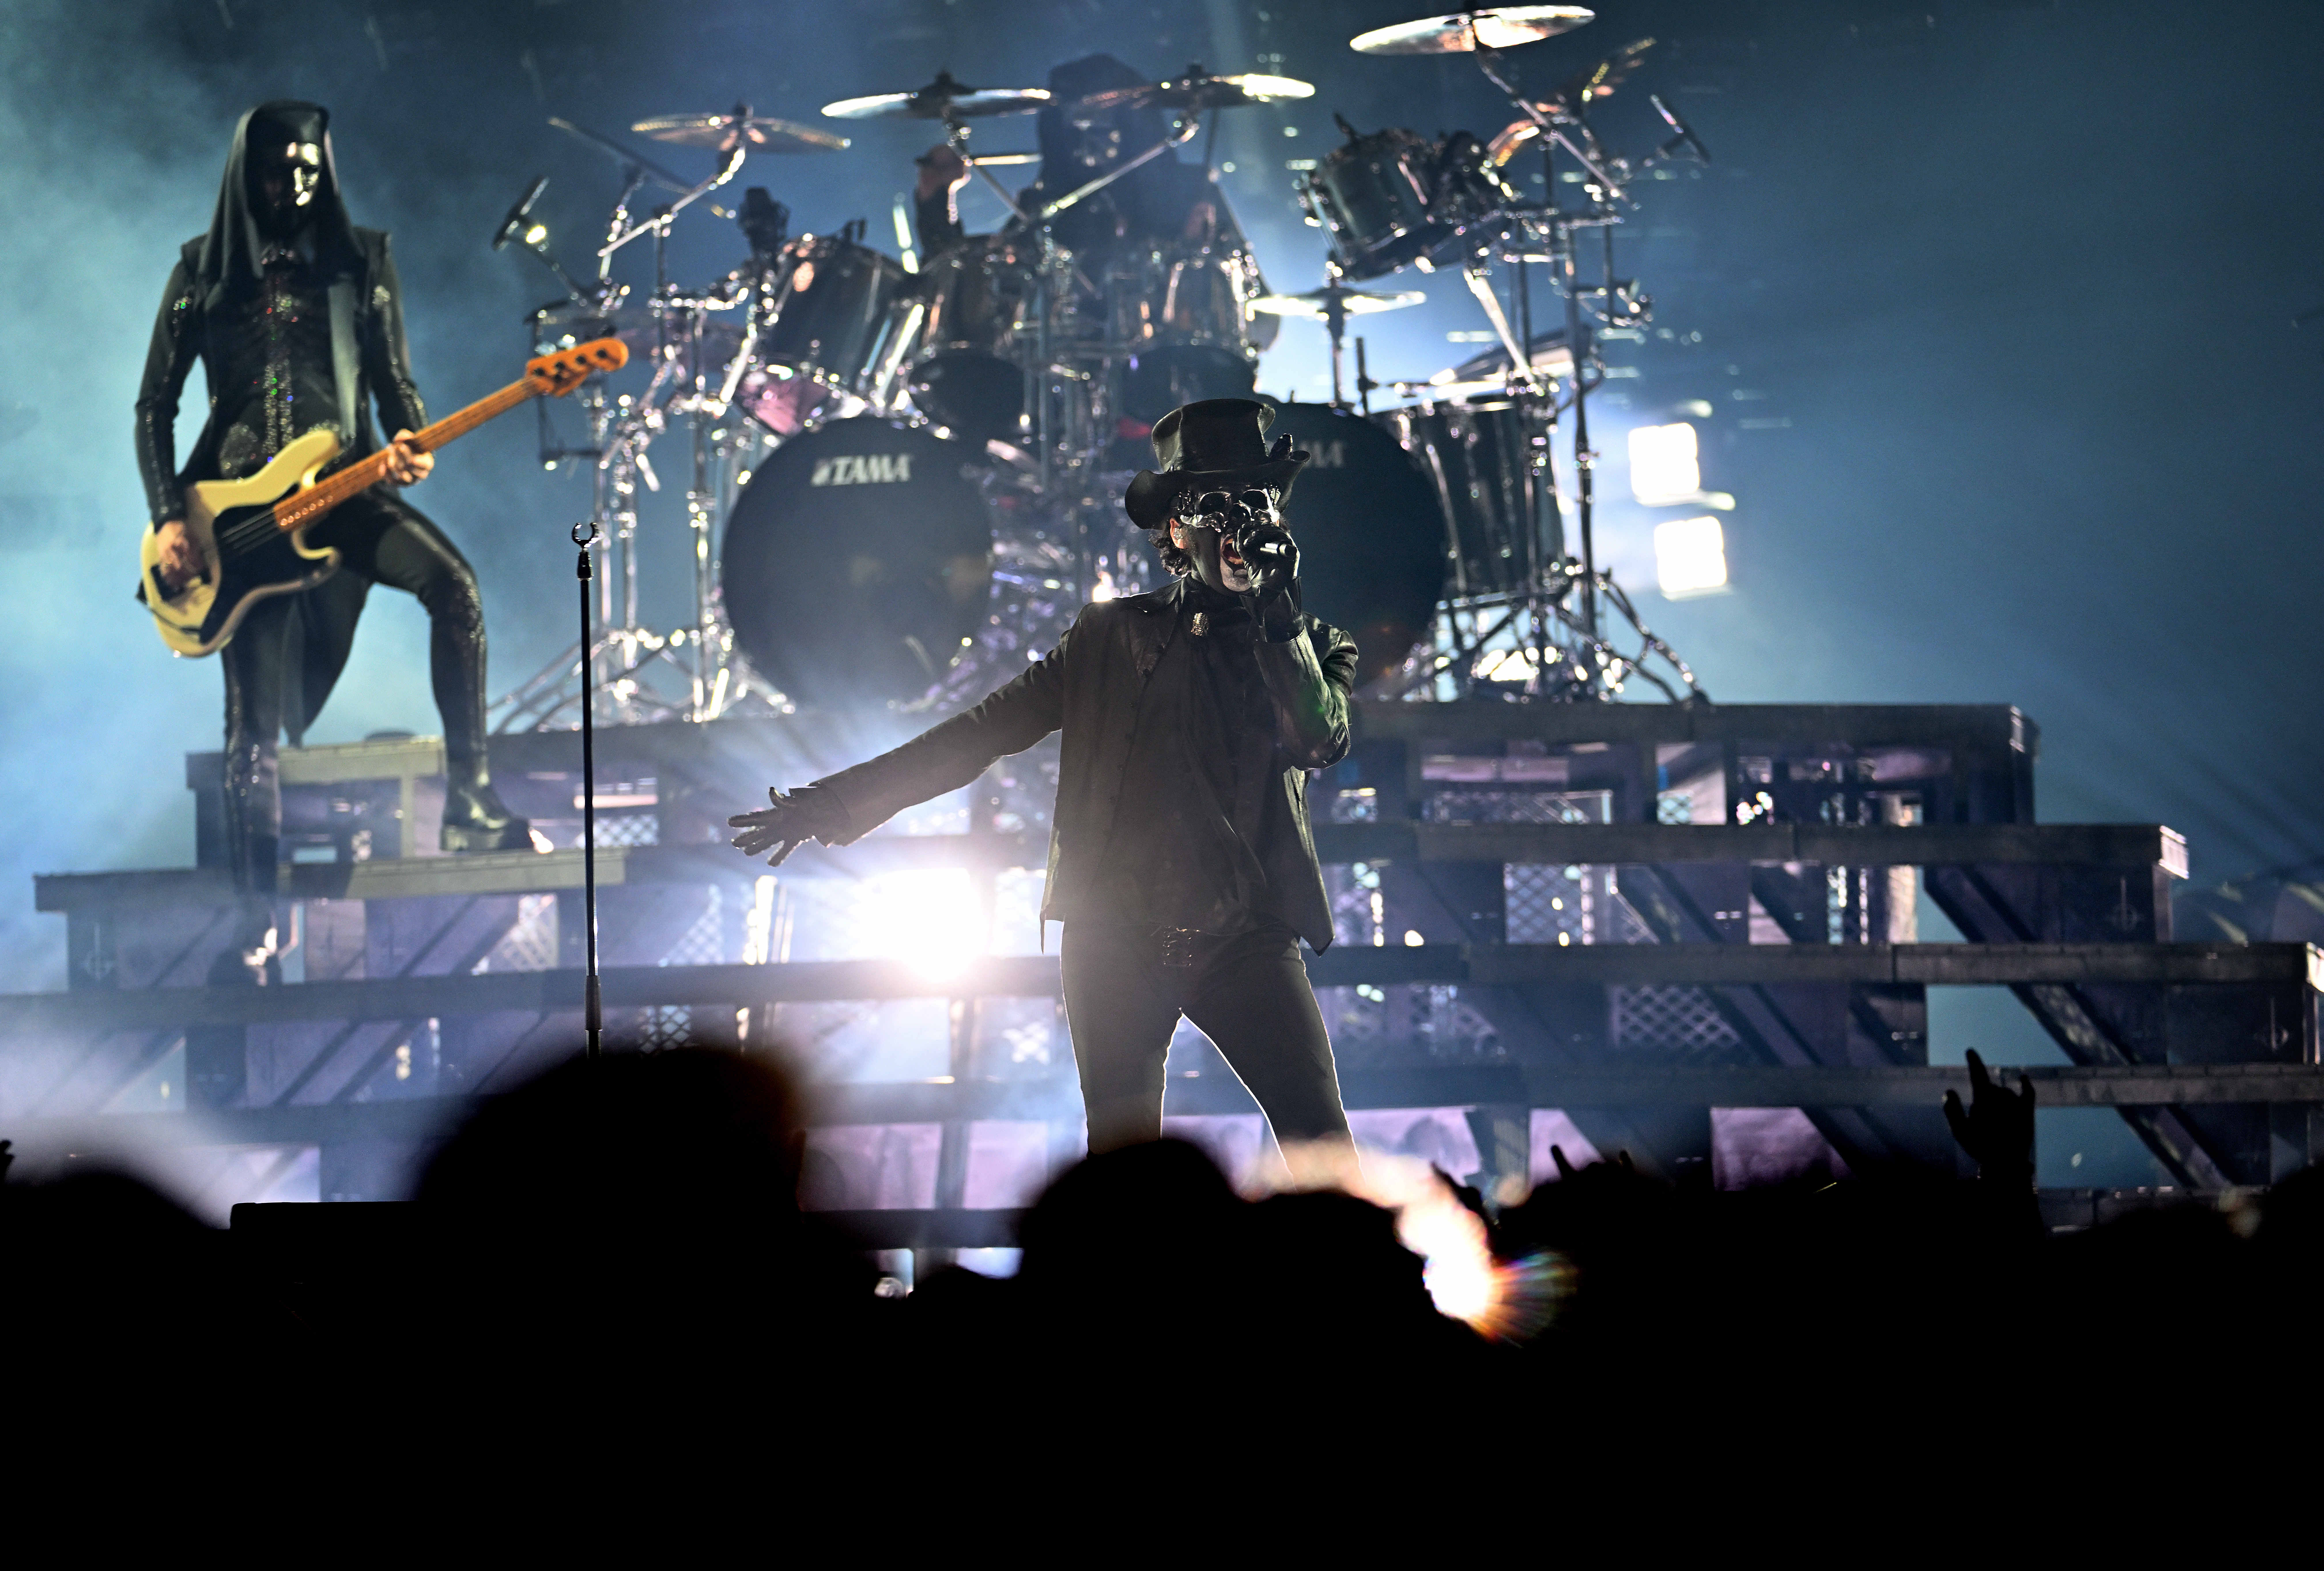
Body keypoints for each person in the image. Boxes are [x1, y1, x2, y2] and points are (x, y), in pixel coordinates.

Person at [730, 399, 1358, 1156]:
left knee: (1321, 1140)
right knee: (1121, 1163)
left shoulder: (1313, 644)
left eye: (1252, 503)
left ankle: (1349, 1272)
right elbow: (977, 734)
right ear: (1175, 533)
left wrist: (1280, 613)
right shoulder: (1106, 637)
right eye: (1212, 505)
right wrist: (834, 802)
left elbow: (1317, 740)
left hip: (1244, 936)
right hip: (1116, 936)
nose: (1235, 525)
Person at [135, 101, 529, 980]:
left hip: (343, 491)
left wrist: (413, 437)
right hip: (237, 527)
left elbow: (393, 377)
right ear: (249, 174)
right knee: (251, 732)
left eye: (313, 170)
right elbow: (152, 405)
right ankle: (258, 915)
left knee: (454, 587)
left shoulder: (362, 261)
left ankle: (469, 799)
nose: (298, 185)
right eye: (281, 170)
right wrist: (169, 515)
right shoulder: (202, 270)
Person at [909, 54, 1277, 434]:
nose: (1089, 133)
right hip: (1054, 407)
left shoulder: (1191, 193)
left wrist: (1199, 263)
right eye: (1073, 119)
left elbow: (1264, 321)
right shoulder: (1044, 206)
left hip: (1173, 410)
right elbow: (965, 284)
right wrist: (936, 198)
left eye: (1106, 115)